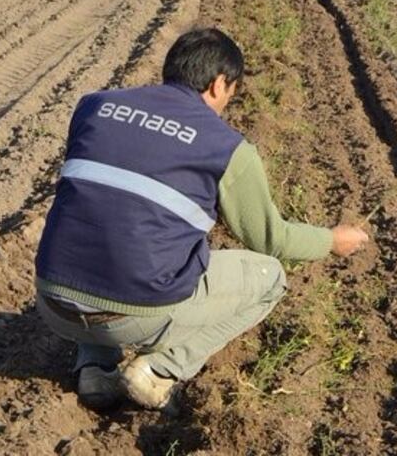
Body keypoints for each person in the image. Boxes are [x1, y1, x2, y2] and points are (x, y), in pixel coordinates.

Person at [34, 27, 368, 410]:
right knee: (270, 277)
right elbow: (271, 240)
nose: (228, 101)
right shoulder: (225, 147)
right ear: (218, 84)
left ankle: (95, 367)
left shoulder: (94, 106)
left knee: (104, 217)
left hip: (53, 302)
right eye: (232, 91)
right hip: (135, 315)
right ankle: (159, 371)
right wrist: (332, 240)